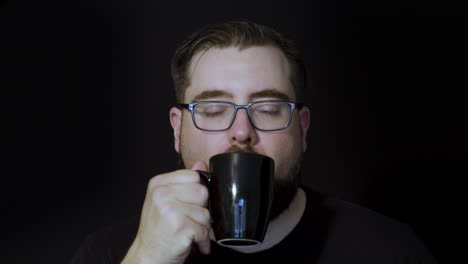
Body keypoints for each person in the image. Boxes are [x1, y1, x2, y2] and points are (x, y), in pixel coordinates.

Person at [70, 20, 438, 264]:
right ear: (177, 128)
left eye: (268, 107)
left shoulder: (387, 249)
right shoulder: (112, 253)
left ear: (302, 128)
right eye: (214, 109)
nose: (242, 131)